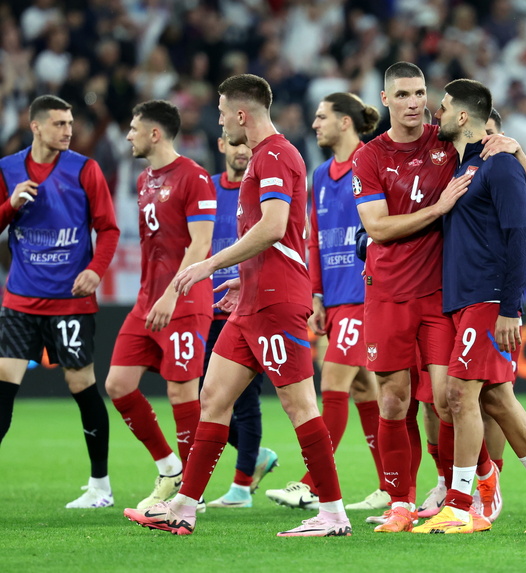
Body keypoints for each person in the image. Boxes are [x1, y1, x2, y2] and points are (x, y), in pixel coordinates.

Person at [125, 73, 351, 537]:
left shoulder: (275, 155)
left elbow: (273, 227)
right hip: (251, 301)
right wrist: (238, 279)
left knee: (300, 406)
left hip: (275, 302)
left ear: (242, 115)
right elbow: (273, 240)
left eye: (225, 112)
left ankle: (333, 515)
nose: (220, 121)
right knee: (213, 398)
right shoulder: (263, 159)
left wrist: (210, 266)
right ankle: (184, 509)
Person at [352, 62, 524, 532]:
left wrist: (514, 146)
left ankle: (463, 489)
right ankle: (399, 503)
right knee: (393, 400)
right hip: (386, 293)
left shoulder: (444, 138)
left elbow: (510, 172)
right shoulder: (368, 157)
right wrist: (439, 207)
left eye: (421, 92)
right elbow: (377, 228)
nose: (414, 102)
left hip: (440, 295)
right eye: (404, 94)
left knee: (451, 400)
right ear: (385, 100)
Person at [412, 79, 526, 534]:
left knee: (461, 396)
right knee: (497, 399)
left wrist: (510, 307)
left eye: (441, 108)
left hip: (487, 300)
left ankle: (461, 507)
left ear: (463, 117)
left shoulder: (499, 164)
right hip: (463, 299)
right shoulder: (464, 166)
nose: (434, 115)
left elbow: (521, 233)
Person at [266, 92, 387, 513]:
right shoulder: (320, 173)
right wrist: (316, 294)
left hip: (366, 293)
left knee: (333, 381)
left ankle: (311, 483)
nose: (315, 124)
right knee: (361, 386)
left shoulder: (372, 161)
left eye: (322, 117)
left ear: (346, 123)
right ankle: (389, 485)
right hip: (334, 297)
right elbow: (313, 237)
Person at [0, 94, 119, 508]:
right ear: (35, 126)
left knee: (80, 385)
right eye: (59, 123)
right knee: (3, 385)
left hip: (69, 301)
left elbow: (108, 229)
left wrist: (95, 271)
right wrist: (9, 206)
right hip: (19, 300)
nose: (68, 130)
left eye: (70, 123)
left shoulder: (85, 169)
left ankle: (100, 486)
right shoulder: (8, 170)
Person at [105, 100, 216, 510]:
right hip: (147, 302)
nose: (129, 135)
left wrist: (172, 293)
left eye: (134, 128)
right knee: (118, 385)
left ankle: (193, 493)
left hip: (184, 300)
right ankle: (171, 468)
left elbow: (201, 244)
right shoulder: (145, 180)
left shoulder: (194, 177)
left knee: (181, 390)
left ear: (155, 133)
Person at [205, 131, 278, 509]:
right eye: (233, 145)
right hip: (210, 307)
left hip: (248, 304)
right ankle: (257, 457)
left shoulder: (264, 188)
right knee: (210, 394)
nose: (240, 151)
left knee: (246, 401)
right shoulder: (207, 189)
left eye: (245, 146)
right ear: (222, 146)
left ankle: (241, 486)